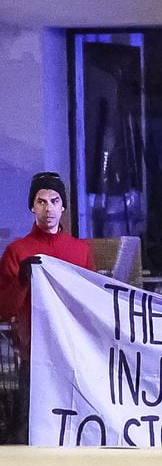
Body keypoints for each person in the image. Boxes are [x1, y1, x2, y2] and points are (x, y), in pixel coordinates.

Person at [0, 172, 96, 444]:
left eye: (54, 201)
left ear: (63, 206)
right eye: (41, 202)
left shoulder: (80, 251)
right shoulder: (17, 252)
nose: (48, 209)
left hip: (73, 350)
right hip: (34, 353)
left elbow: (89, 302)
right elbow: (4, 308)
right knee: (27, 424)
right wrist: (21, 281)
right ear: (32, 207)